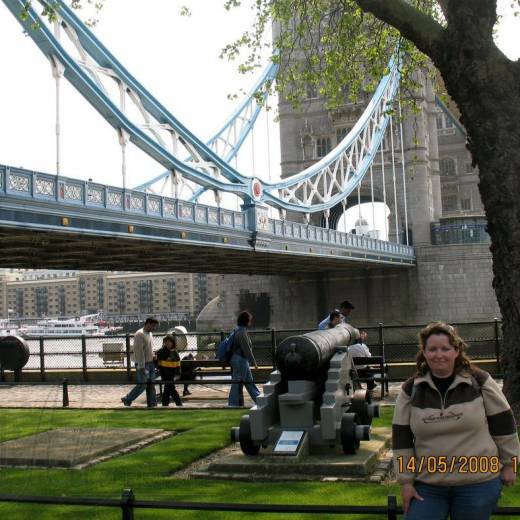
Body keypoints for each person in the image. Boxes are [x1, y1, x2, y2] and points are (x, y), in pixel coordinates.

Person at [392, 321, 519, 520]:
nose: (439, 354)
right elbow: (402, 441)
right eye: (432, 349)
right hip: (429, 484)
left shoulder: (480, 381)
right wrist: (406, 482)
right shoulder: (411, 390)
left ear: (456, 350)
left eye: (445, 348)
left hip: (478, 482)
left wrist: (511, 465)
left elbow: (504, 425)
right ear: (424, 352)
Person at [121, 317, 159, 407]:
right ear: (148, 324)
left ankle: (152, 404)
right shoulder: (139, 334)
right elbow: (139, 351)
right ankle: (128, 399)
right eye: (153, 326)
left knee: (151, 385)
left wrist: (153, 356)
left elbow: (149, 348)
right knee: (142, 385)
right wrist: (141, 366)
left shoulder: (149, 334)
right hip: (143, 364)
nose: (154, 328)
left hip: (150, 363)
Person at [228, 310, 261, 407]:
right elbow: (246, 349)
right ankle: (233, 404)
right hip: (241, 360)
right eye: (249, 320)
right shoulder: (242, 332)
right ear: (246, 321)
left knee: (246, 381)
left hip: (238, 359)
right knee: (239, 382)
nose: (250, 322)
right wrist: (254, 363)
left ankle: (259, 399)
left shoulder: (237, 330)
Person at [156, 334, 182, 407]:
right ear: (164, 342)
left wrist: (178, 374)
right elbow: (157, 363)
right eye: (166, 342)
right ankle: (179, 404)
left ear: (173, 343)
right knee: (170, 389)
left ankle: (165, 405)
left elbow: (178, 365)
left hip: (173, 375)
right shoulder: (161, 352)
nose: (168, 343)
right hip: (164, 374)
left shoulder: (175, 353)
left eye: (170, 342)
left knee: (168, 389)